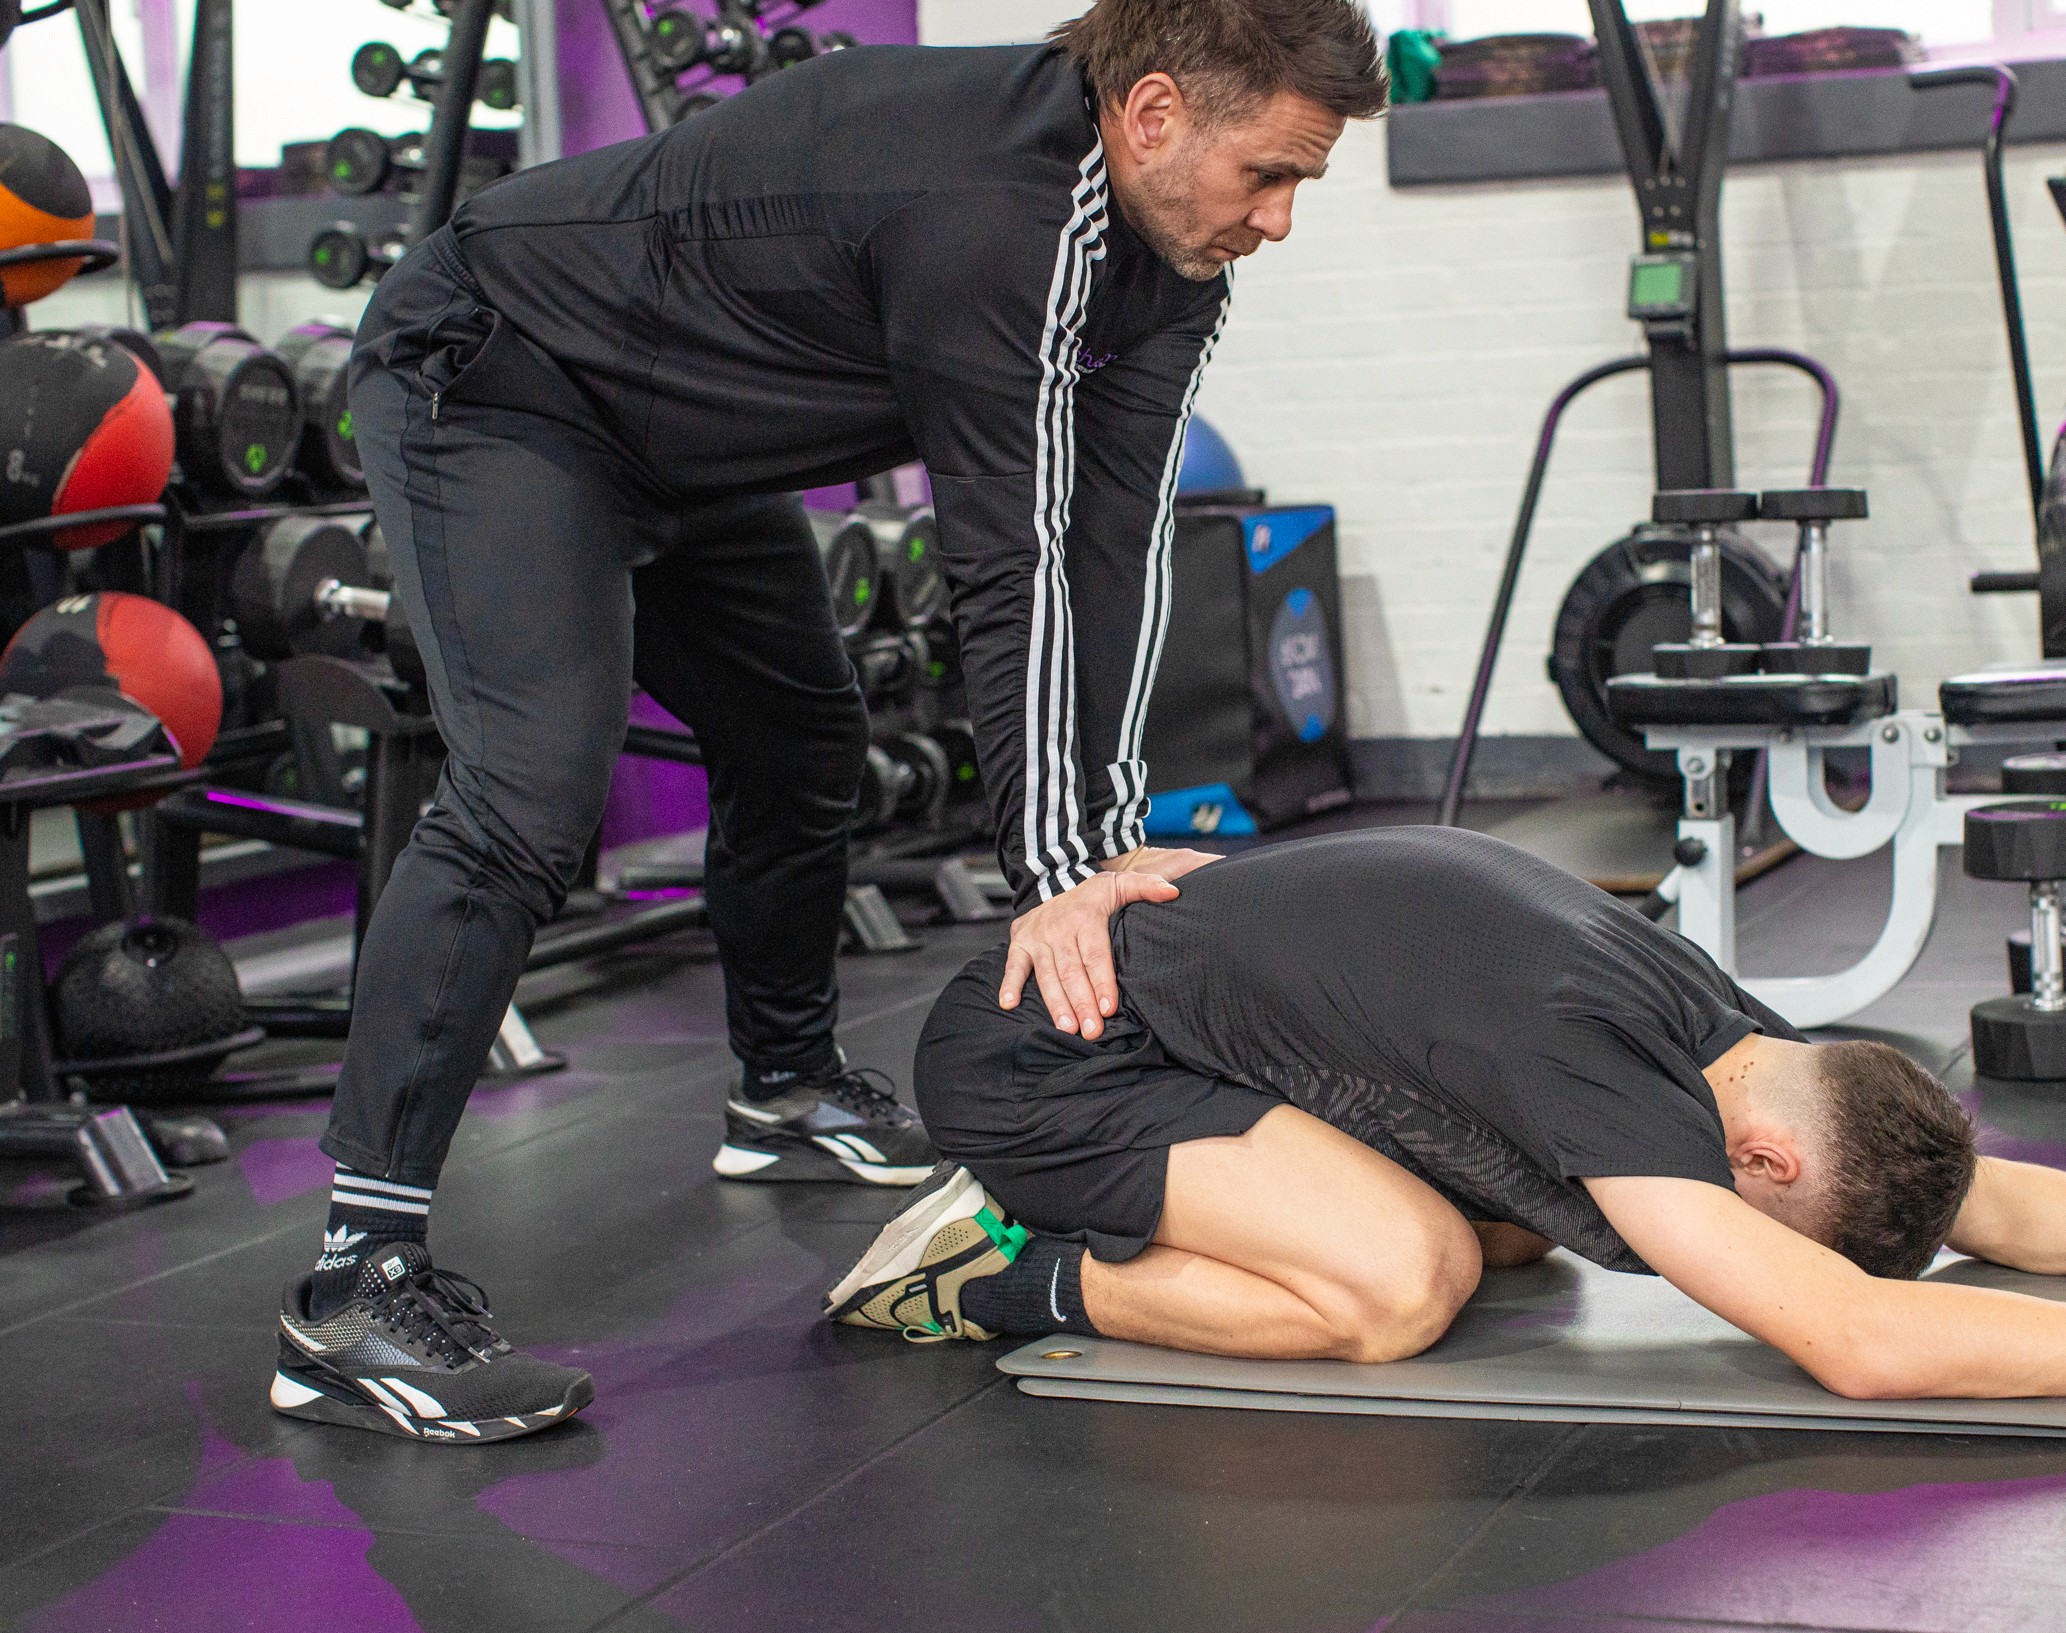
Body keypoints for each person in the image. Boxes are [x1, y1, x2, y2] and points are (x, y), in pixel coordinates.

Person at [271, 0, 1388, 1444]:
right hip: (502, 376)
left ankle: (784, 1086)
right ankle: (354, 1281)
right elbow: (1012, 558)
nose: (1280, 220)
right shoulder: (1003, 212)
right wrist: (1055, 873)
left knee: (807, 737)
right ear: (1155, 114)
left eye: (1301, 183)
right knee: (530, 785)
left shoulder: (1171, 253)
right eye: (1270, 176)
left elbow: (1114, 541)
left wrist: (1107, 846)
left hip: (687, 447)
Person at [830, 827, 2066, 1421]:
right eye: (1753, 1224)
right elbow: (1859, 1338)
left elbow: (1969, 1202)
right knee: (1403, 1286)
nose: (1729, 1254)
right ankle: (993, 1267)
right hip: (1050, 1057)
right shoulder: (1602, 1062)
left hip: (1210, 1025)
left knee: (1518, 1235)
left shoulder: (1753, 1051)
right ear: (1770, 1165)